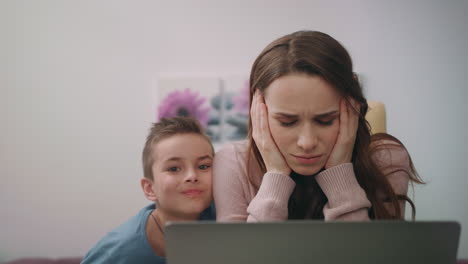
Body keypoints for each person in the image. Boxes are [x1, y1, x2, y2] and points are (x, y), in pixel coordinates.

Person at [213, 30, 424, 222]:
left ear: (353, 108)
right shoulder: (233, 162)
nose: (307, 142)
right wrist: (275, 177)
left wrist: (340, 173)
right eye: (287, 122)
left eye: (326, 120)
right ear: (259, 111)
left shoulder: (386, 159)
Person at [82, 117, 215, 264]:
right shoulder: (120, 250)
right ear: (150, 188)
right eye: (174, 168)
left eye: (203, 166)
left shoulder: (228, 217)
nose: (192, 176)